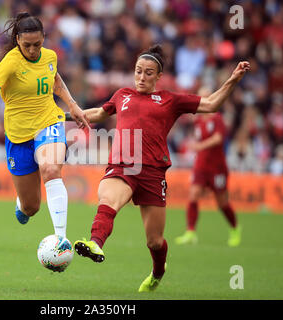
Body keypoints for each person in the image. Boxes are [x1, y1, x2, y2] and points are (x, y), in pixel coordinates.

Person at [73, 45, 250, 292]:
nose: (142, 77)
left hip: (154, 173)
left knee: (155, 241)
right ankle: (95, 242)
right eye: (138, 72)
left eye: (148, 73)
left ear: (158, 76)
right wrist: (64, 115)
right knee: (108, 201)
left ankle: (158, 271)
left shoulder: (170, 100)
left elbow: (210, 104)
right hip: (124, 165)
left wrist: (233, 80)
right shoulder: (122, 95)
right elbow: (95, 114)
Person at [0, 13, 89, 244]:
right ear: (17, 40)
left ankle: (60, 239)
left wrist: (72, 105)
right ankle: (22, 205)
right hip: (18, 135)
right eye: (27, 45)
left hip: (49, 122)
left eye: (37, 44)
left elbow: (55, 80)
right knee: (31, 206)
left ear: (44, 38)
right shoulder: (10, 62)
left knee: (50, 170)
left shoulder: (50, 56)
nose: (33, 50)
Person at [175, 87, 241, 247]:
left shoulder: (217, 119)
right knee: (193, 195)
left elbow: (218, 139)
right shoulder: (198, 121)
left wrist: (199, 146)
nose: (202, 100)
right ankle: (190, 232)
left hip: (217, 168)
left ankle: (235, 228)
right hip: (201, 166)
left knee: (222, 203)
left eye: (205, 97)